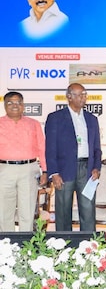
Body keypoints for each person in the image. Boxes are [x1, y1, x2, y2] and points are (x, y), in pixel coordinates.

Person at [45, 83, 102, 232]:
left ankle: (89, 246)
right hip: (64, 170)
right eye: (78, 94)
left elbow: (97, 148)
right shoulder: (55, 118)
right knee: (63, 211)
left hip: (87, 170)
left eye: (84, 94)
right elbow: (50, 149)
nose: (83, 97)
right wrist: (54, 173)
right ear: (69, 97)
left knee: (88, 210)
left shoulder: (91, 119)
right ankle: (64, 247)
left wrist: (96, 167)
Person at [0, 92, 47, 231]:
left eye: (18, 102)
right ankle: (6, 244)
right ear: (4, 105)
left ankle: (25, 246)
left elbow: (42, 148)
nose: (15, 106)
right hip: (4, 169)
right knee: (4, 210)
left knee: (27, 209)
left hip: (29, 168)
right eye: (11, 103)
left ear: (23, 105)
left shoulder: (34, 124)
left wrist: (44, 170)